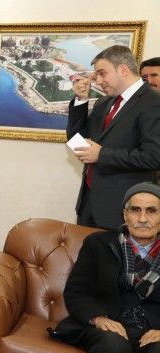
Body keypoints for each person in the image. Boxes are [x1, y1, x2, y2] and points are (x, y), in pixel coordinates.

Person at [49, 182, 160, 353]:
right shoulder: (98, 244)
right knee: (112, 348)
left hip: (154, 332)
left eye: (151, 211)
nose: (143, 218)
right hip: (109, 325)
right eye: (135, 210)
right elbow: (77, 291)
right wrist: (99, 318)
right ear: (125, 215)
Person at [68, 45, 160, 230]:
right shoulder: (104, 102)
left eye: (102, 74)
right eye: (97, 75)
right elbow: (77, 140)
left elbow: (154, 157)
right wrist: (80, 101)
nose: (98, 81)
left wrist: (101, 155)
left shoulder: (154, 102)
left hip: (122, 208)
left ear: (123, 69)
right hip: (88, 205)